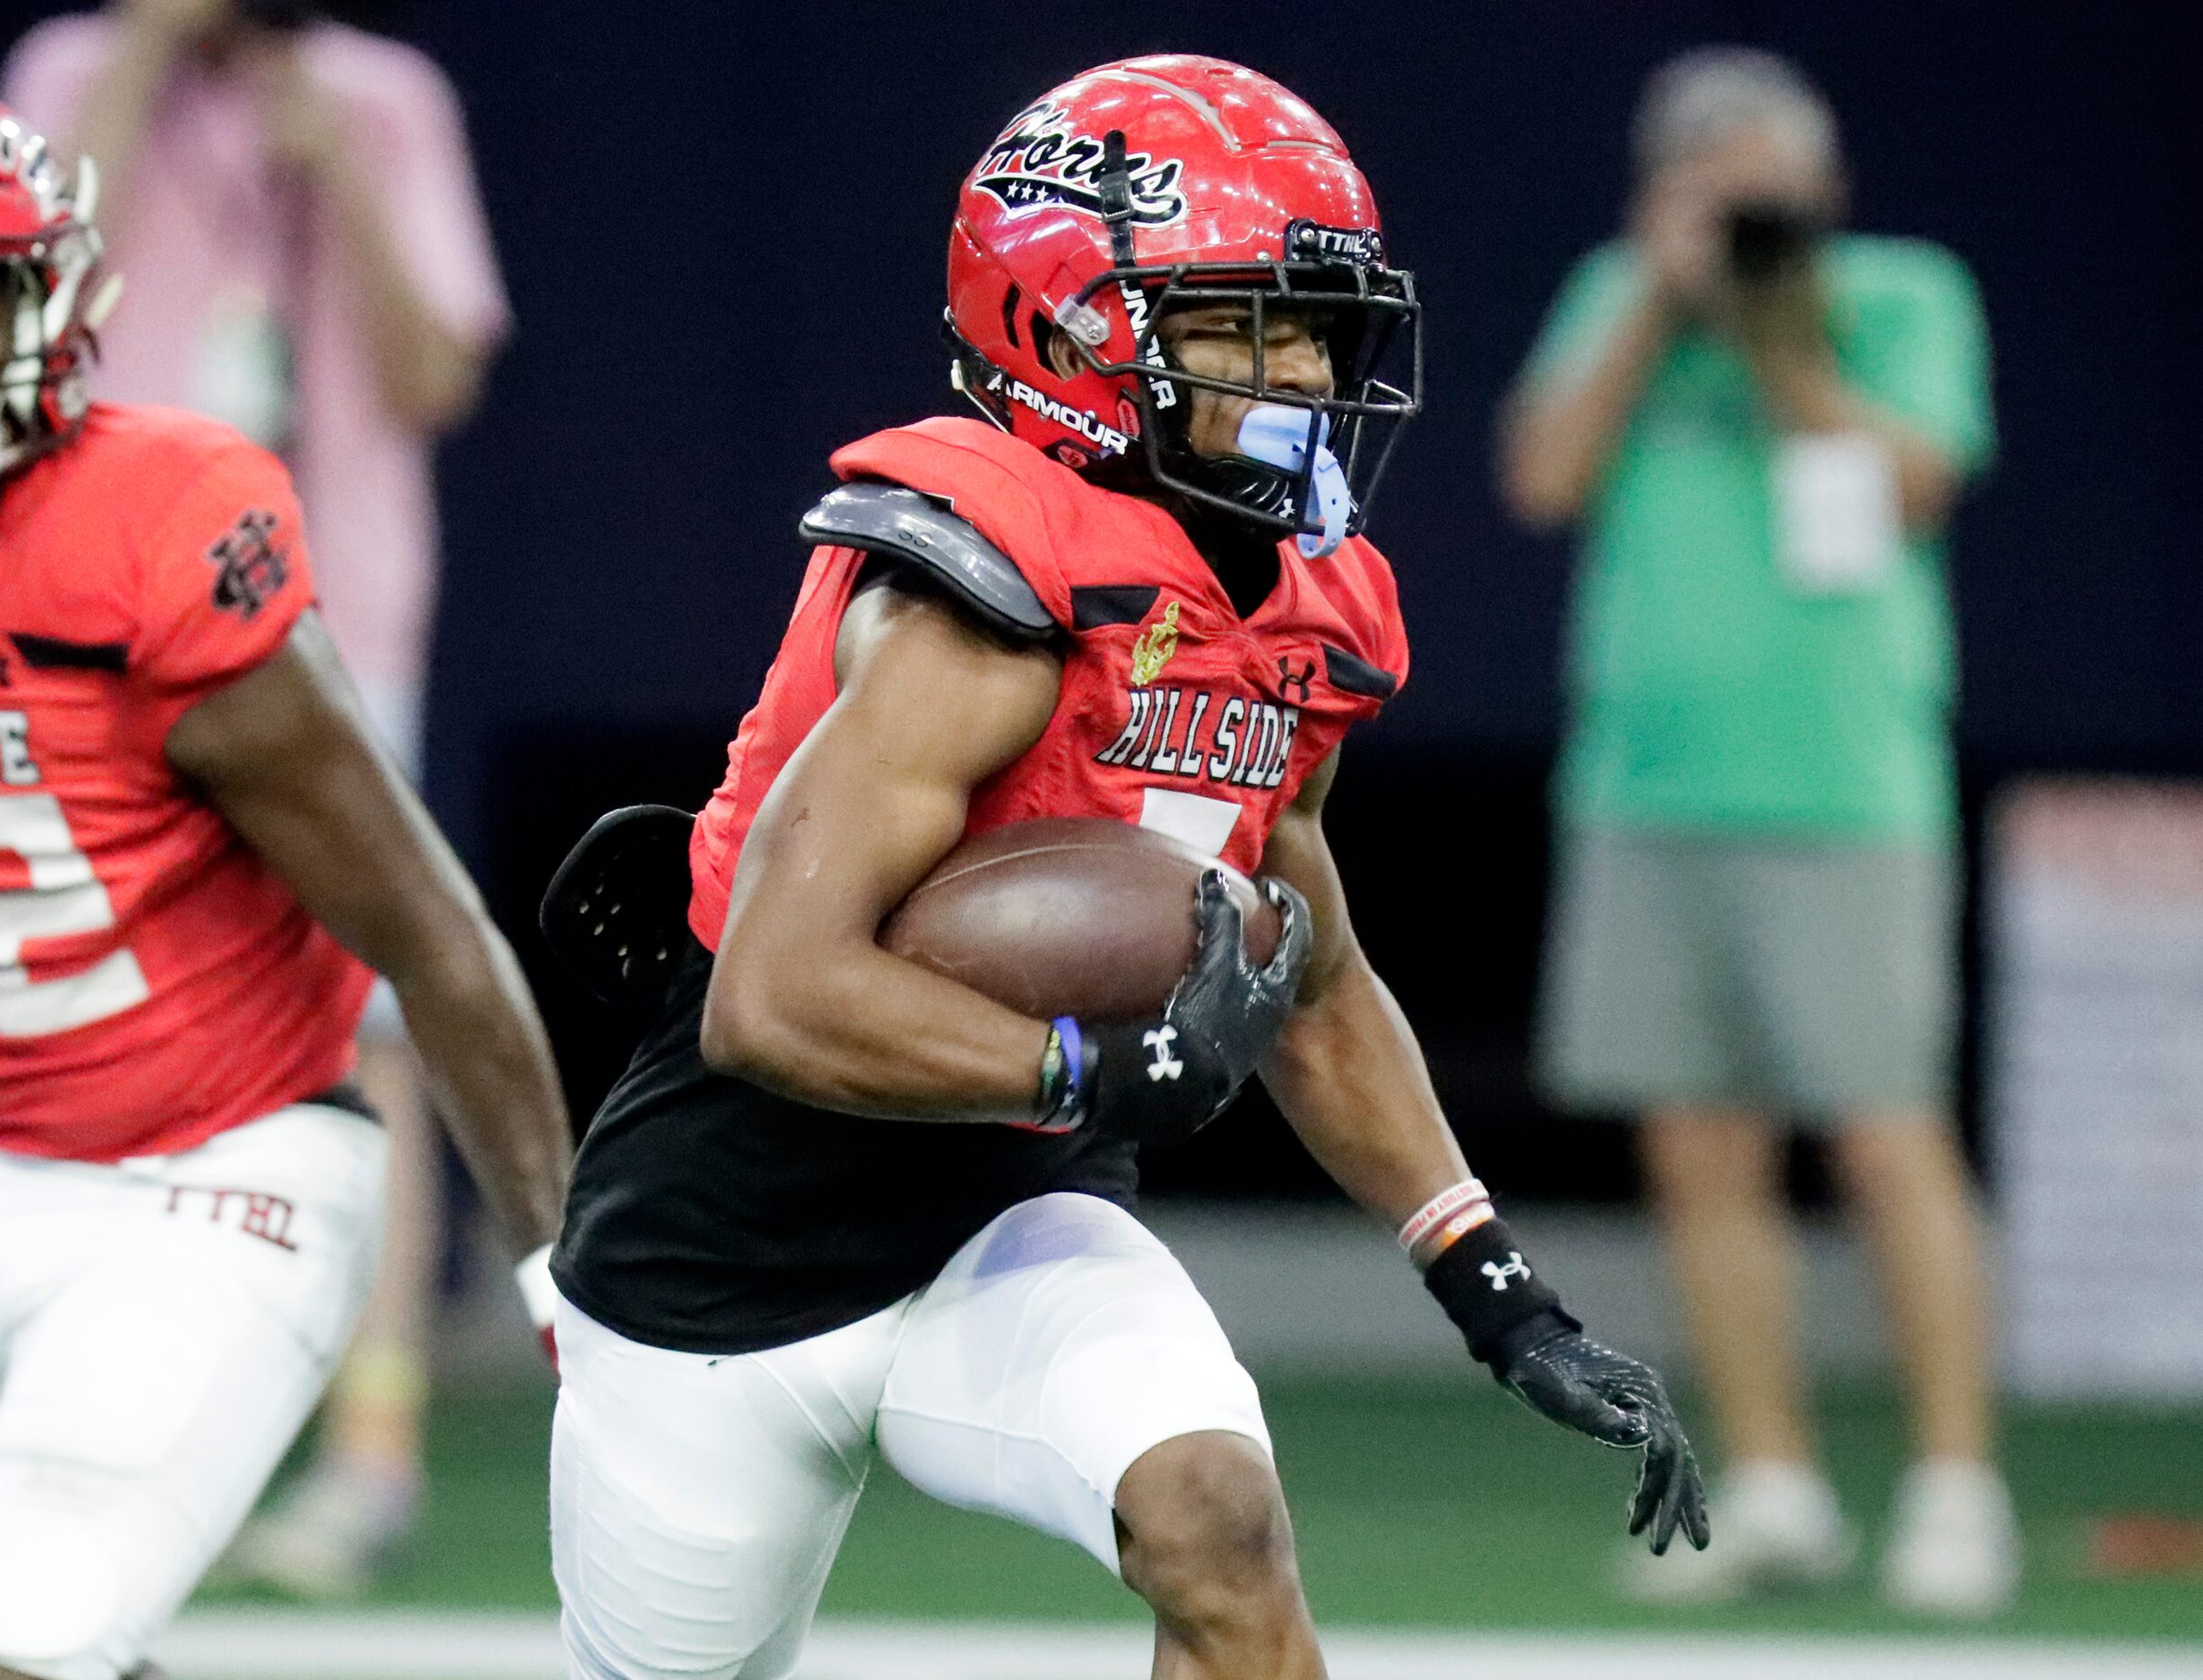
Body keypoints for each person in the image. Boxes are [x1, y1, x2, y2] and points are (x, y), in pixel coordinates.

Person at [548, 55, 1706, 1680]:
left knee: (1216, 1523)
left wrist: (1496, 1285)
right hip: (730, 1238)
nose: (1304, 371)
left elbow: (1306, 969)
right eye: (1247, 326)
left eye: (1315, 326)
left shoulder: (1300, 610)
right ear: (1075, 330)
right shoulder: (978, 598)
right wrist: (1089, 1059)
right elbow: (770, 997)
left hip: (1007, 1207)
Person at [0, 72, 566, 1680]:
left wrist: (571, 1291)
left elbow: (430, 933)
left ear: (43, 301)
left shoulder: (147, 529)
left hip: (218, 1177)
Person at [0, 0, 511, 1592]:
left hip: (329, 627)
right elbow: (19, 315)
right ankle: (80, 1438)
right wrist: (152, 52)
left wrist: (337, 169)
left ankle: (368, 1461)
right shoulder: (71, 74)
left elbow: (433, 372)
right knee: (78, 1016)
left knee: (369, 1023)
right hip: (86, 621)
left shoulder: (383, 95)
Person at [1499, 47, 2009, 1613]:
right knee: (1699, 1141)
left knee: (1882, 1126)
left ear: (1824, 189)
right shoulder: (1617, 294)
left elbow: (1912, 480)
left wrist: (1774, 332)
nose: (1744, 214)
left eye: (1766, 185)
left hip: (1847, 786)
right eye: (1709, 184)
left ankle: (1953, 1483)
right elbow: (1541, 475)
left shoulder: (1905, 294)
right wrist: (1660, 301)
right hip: (1650, 782)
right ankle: (1774, 1477)